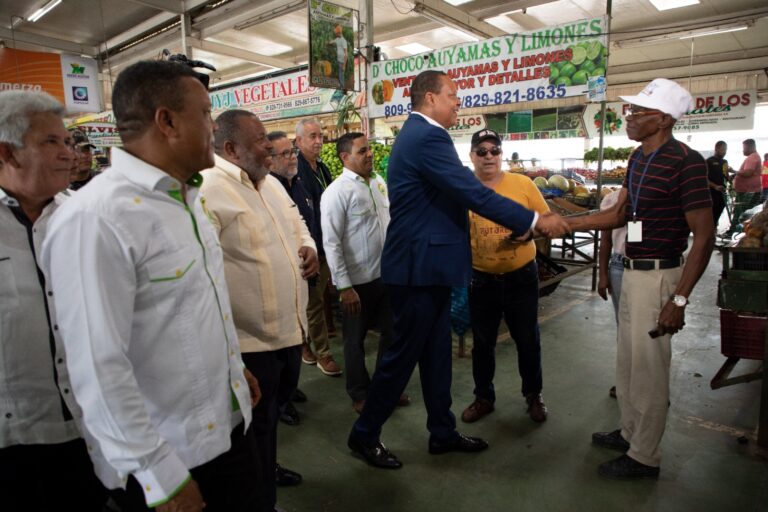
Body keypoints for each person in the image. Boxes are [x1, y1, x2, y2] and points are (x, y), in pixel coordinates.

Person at [41, 60, 261, 511]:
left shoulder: (186, 197)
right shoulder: (96, 219)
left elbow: (189, 310)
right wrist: (162, 478)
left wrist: (231, 370)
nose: (212, 125)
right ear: (167, 122)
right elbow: (97, 370)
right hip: (172, 456)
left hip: (227, 424)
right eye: (204, 113)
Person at [347, 70, 570, 469]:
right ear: (430, 98)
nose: (458, 102)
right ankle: (364, 435)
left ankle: (442, 432)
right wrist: (533, 222)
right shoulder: (426, 136)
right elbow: (469, 192)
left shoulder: (421, 136)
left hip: (429, 268)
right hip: (418, 270)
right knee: (401, 358)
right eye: (452, 95)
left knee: (436, 356)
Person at [565, 78, 714, 480]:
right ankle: (631, 432)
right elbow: (619, 217)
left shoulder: (686, 161)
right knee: (628, 363)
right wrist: (564, 223)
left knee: (649, 369)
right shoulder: (638, 159)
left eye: (639, 111)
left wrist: (678, 300)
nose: (628, 116)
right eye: (631, 110)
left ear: (664, 119)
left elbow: (704, 235)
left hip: (660, 277)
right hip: (631, 272)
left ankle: (644, 457)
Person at [0, 90, 112, 511]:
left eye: (67, 142)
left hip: (89, 428)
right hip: (14, 438)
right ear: (7, 153)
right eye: (51, 142)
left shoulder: (84, 217)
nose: (69, 153)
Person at [201, 110, 317, 512]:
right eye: (259, 140)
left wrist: (310, 247)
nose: (269, 145)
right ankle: (259, 499)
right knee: (249, 434)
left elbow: (297, 221)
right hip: (250, 343)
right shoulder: (208, 189)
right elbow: (204, 275)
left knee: (268, 426)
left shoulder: (270, 184)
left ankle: (266, 482)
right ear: (231, 148)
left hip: (288, 332)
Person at [459, 129, 550, 425]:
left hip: (520, 277)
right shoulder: (463, 188)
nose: (489, 156)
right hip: (480, 279)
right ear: (471, 155)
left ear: (501, 154)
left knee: (527, 339)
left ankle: (533, 395)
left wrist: (529, 232)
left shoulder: (522, 184)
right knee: (483, 343)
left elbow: (545, 221)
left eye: (494, 151)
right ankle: (483, 397)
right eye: (482, 151)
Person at [321, 132, 410, 414]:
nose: (369, 154)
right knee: (354, 341)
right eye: (362, 151)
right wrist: (344, 286)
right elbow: (331, 242)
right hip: (357, 283)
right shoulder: (336, 193)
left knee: (393, 334)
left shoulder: (378, 183)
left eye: (369, 149)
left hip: (386, 275)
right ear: (345, 158)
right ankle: (360, 393)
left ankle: (385, 387)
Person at [268, 131, 313, 426]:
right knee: (284, 351)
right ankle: (281, 402)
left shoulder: (295, 183)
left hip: (303, 274)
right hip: (279, 287)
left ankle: (289, 389)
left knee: (297, 342)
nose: (292, 157)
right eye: (284, 153)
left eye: (292, 151)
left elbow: (302, 223)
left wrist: (312, 247)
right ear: (269, 160)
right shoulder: (269, 187)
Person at [295, 118, 342, 376]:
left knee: (311, 303)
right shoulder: (298, 171)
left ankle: (303, 343)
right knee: (313, 304)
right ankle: (322, 353)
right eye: (312, 136)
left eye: (320, 136)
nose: (318, 141)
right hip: (312, 247)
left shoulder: (321, 168)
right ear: (299, 141)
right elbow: (304, 214)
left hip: (326, 244)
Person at [597, 189, 628, 399]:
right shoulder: (612, 199)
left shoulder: (660, 194)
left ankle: (652, 386)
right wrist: (602, 274)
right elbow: (605, 240)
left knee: (651, 330)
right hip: (620, 266)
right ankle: (625, 381)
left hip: (653, 268)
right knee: (624, 328)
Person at [729, 138, 761, 232]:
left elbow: (748, 173)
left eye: (744, 148)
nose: (743, 150)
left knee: (741, 214)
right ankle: (736, 231)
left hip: (748, 192)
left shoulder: (752, 157)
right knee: (743, 213)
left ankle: (734, 232)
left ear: (749, 147)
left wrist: (733, 171)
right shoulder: (754, 157)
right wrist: (736, 175)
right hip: (749, 190)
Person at [705, 141, 729, 230]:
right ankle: (709, 234)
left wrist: (731, 179)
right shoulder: (709, 161)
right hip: (711, 193)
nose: (724, 152)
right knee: (711, 214)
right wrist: (715, 186)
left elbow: (726, 175)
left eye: (726, 150)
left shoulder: (725, 162)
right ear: (716, 149)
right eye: (723, 149)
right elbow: (704, 178)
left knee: (718, 212)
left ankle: (713, 231)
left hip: (722, 193)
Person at [328, 24, 348, 89]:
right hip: (339, 60)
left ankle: (343, 88)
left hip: (342, 61)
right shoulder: (337, 39)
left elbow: (346, 54)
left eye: (336, 33)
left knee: (341, 74)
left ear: (339, 33)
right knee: (340, 73)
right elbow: (332, 42)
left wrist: (344, 65)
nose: (335, 34)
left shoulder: (343, 41)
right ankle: (341, 86)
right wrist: (328, 42)